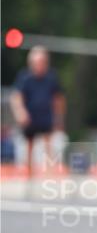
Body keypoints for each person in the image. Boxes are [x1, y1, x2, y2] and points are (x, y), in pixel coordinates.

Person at [10, 46, 66, 176]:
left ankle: (49, 175)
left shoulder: (51, 78)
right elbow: (17, 97)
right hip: (30, 117)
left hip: (46, 116)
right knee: (29, 146)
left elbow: (58, 99)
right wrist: (21, 113)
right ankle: (29, 176)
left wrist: (59, 118)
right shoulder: (25, 77)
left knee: (48, 146)